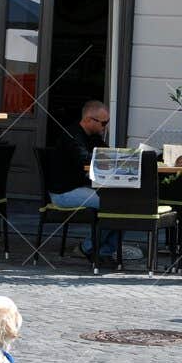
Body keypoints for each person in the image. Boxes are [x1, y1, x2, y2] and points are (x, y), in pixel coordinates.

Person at [44, 100, 140, 263]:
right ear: (89, 120)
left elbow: (105, 154)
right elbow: (86, 160)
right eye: (104, 122)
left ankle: (104, 250)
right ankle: (89, 248)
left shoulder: (94, 137)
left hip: (82, 188)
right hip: (64, 192)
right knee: (115, 204)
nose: (105, 126)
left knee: (122, 202)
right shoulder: (71, 135)